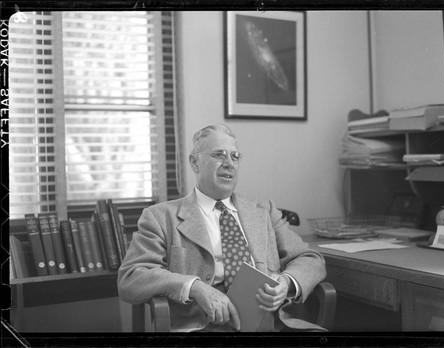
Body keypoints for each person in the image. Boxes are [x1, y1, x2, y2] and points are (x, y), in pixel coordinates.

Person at [117, 124, 327, 332]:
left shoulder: (264, 211)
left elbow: (310, 259)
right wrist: (195, 287)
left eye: (235, 157)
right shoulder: (160, 216)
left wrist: (286, 283)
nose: (229, 164)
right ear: (194, 162)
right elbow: (132, 276)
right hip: (202, 326)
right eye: (219, 155)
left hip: (271, 324)